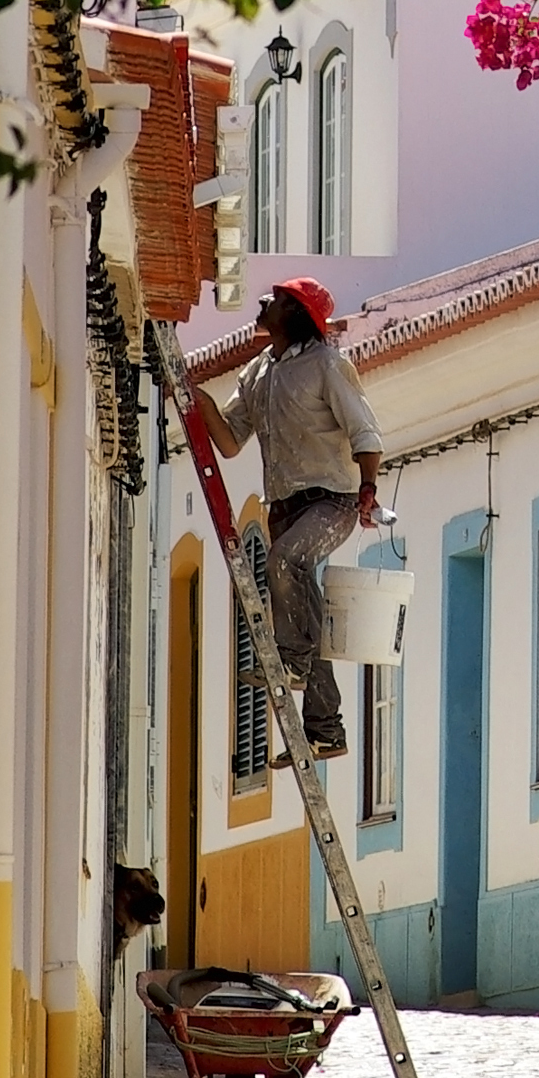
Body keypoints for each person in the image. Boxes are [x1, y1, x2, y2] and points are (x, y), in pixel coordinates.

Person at [194, 278, 382, 761]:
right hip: (286, 506)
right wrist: (197, 399)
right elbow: (232, 440)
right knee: (304, 612)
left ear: (297, 314)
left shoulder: (327, 365)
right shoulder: (258, 373)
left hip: (333, 499)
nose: (263, 302)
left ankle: (294, 661)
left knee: (283, 560)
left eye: (275, 300)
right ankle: (326, 730)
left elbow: (365, 431)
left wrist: (367, 489)